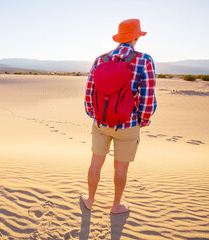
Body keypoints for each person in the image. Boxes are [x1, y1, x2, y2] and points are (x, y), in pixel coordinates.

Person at [81, 19, 157, 214]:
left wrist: (93, 114)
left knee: (95, 162)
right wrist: (143, 120)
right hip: (128, 124)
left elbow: (90, 90)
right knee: (121, 168)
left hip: (101, 122)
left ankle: (90, 200)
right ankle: (116, 206)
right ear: (136, 37)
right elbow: (147, 96)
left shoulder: (101, 59)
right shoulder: (144, 60)